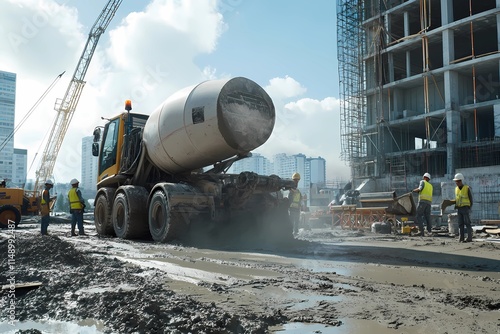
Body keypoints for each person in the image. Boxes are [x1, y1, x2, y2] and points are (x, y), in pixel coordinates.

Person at [450, 173, 473, 243]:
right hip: (459, 208)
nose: (456, 183)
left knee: (467, 223)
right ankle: (461, 238)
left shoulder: (466, 188)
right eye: (456, 181)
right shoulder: (456, 189)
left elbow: (470, 199)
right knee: (460, 224)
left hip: (465, 208)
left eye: (457, 181)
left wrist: (469, 207)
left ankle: (469, 238)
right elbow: (457, 199)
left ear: (460, 181)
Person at [412, 172, 433, 236]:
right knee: (427, 217)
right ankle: (429, 231)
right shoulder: (431, 186)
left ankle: (421, 231)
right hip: (429, 203)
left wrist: (413, 190)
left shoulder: (422, 182)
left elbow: (419, 189)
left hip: (422, 202)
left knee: (418, 215)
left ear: (425, 177)